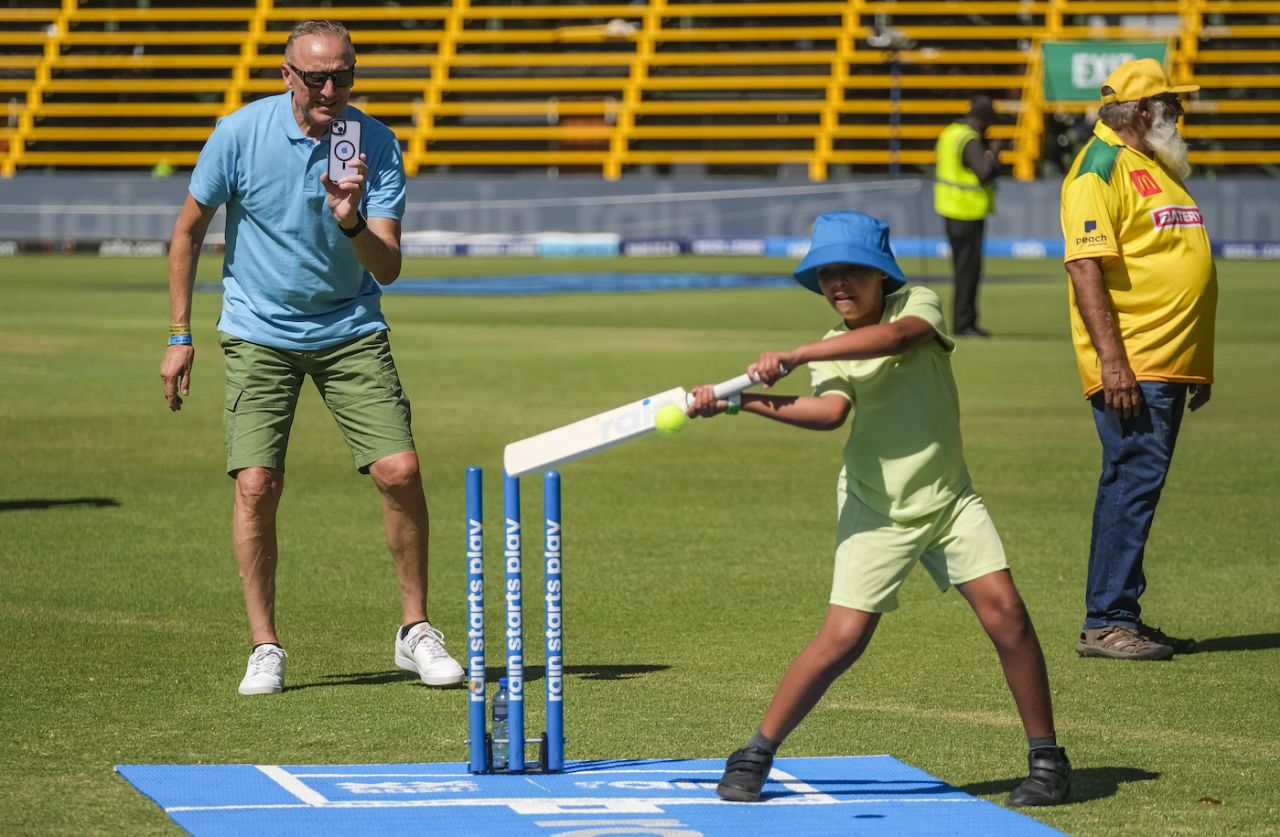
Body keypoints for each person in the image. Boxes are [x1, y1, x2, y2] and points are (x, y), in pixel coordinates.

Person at [688, 212, 1070, 807]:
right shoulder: (830, 349)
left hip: (948, 498)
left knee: (1009, 617)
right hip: (877, 506)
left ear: (881, 274)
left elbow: (894, 340)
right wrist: (742, 402)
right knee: (842, 639)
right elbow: (830, 414)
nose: (839, 284)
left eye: (853, 271)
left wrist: (797, 353)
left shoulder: (917, 304)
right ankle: (754, 753)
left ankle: (1048, 760)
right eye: (827, 275)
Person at [158, 19, 464, 695]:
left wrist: (350, 219)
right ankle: (265, 645)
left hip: (349, 324)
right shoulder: (239, 133)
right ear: (286, 75)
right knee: (256, 483)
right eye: (317, 77)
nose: (331, 90)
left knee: (400, 470)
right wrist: (180, 336)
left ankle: (415, 630)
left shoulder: (375, 143)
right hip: (258, 329)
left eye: (343, 76)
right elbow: (187, 232)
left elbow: (388, 267)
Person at [1060, 58, 1216, 661]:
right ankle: (1107, 621)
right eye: (1173, 104)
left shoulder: (1151, 162)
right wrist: (1113, 362)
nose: (1181, 114)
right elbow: (1084, 267)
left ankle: (1121, 612)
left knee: (1139, 484)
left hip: (1167, 361)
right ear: (1145, 110)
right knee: (1130, 482)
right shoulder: (1098, 168)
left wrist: (1198, 360)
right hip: (1135, 363)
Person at [934, 95, 1001, 337]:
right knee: (968, 271)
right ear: (983, 119)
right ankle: (964, 323)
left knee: (962, 269)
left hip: (950, 209)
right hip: (967, 212)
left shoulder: (950, 133)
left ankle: (964, 321)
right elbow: (984, 172)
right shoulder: (970, 139)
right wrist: (994, 152)